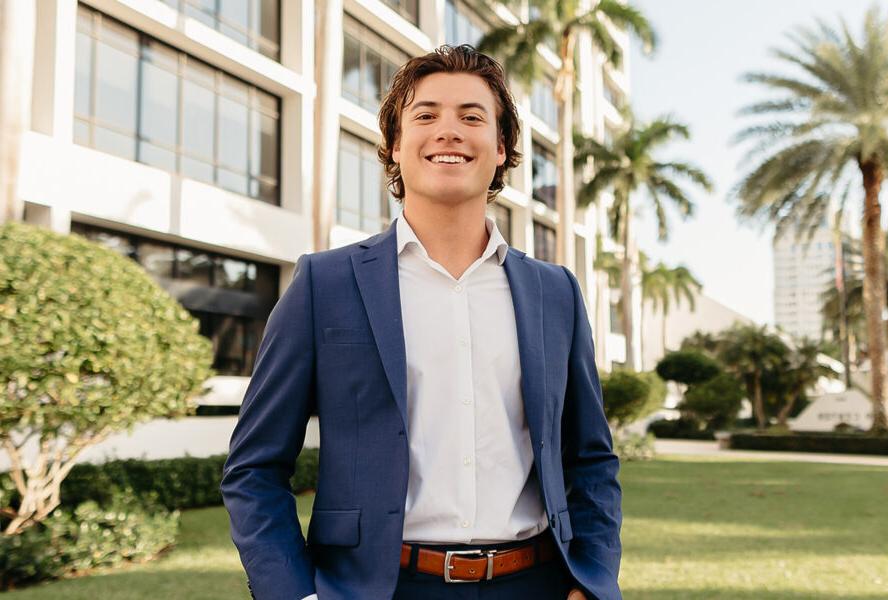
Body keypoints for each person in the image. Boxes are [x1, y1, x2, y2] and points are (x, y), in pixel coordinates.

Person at [220, 44, 622, 600]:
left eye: (472, 117)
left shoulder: (556, 293)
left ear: (501, 148)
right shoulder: (324, 284)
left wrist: (593, 583)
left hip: (537, 584)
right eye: (426, 115)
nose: (448, 131)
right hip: (378, 588)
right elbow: (254, 467)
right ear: (393, 145)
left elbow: (591, 459)